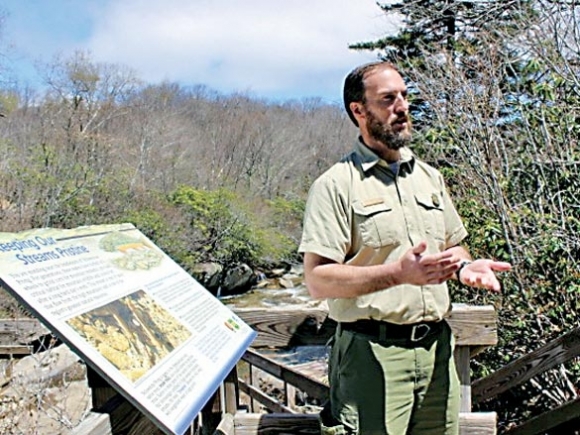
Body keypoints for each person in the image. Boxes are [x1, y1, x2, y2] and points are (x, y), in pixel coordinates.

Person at [298, 61, 512, 435]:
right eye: (387, 99)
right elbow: (318, 280)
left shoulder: (429, 178)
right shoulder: (335, 185)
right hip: (370, 354)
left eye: (404, 96)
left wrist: (463, 267)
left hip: (436, 351)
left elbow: (452, 246)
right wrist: (397, 274)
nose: (402, 107)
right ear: (359, 111)